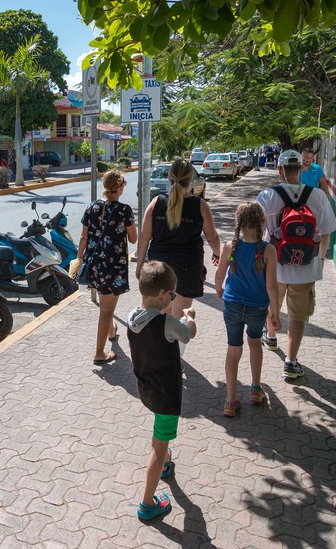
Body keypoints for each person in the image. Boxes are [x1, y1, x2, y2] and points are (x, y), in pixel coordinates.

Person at [256, 149, 336, 379]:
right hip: (306, 267)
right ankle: (291, 363)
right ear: (301, 169)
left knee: (273, 305)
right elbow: (327, 232)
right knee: (298, 316)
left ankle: (271, 338)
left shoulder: (267, 196)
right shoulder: (318, 196)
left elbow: (257, 231)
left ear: (279, 170)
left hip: (275, 266)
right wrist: (320, 259)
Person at [127, 261, 197, 521]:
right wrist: (189, 318)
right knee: (158, 445)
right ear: (163, 295)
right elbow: (188, 333)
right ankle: (147, 503)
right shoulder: (166, 323)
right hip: (166, 394)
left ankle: (165, 462)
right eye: (173, 295)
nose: (174, 299)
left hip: (147, 388)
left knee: (159, 433)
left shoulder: (133, 317)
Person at [214, 202, 281, 417]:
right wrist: (276, 314)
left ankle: (230, 401)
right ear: (263, 222)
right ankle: (255, 389)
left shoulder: (229, 245)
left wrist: (219, 291)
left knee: (233, 350)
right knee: (255, 344)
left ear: (239, 223)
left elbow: (219, 275)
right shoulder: (268, 250)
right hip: (257, 307)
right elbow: (271, 286)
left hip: (232, 304)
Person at [136, 159, 222, 324]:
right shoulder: (200, 205)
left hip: (159, 269)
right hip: (187, 269)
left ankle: (158, 349)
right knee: (178, 321)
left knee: (158, 319)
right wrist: (218, 255)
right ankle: (173, 350)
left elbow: (144, 237)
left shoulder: (156, 203)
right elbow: (213, 238)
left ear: (169, 177)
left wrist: (140, 266)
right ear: (190, 180)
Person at [76, 169, 137, 365]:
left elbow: (83, 237)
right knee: (106, 311)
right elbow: (133, 239)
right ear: (119, 187)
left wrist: (79, 259)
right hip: (113, 266)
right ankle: (99, 353)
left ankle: (111, 332)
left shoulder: (91, 207)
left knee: (105, 304)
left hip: (94, 265)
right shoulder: (124, 210)